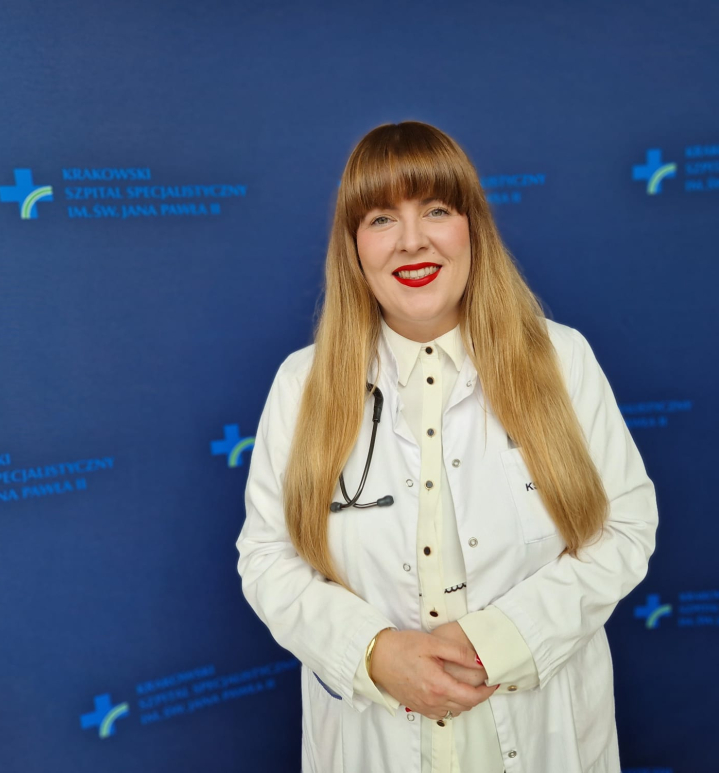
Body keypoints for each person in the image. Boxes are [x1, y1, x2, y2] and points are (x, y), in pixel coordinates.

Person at [235, 120, 658, 773]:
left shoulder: (561, 360)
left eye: (436, 210)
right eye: (381, 218)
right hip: (376, 738)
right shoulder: (302, 384)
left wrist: (501, 640)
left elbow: (624, 529)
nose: (412, 240)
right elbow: (268, 559)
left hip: (539, 735)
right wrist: (373, 652)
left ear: (472, 228)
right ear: (354, 246)